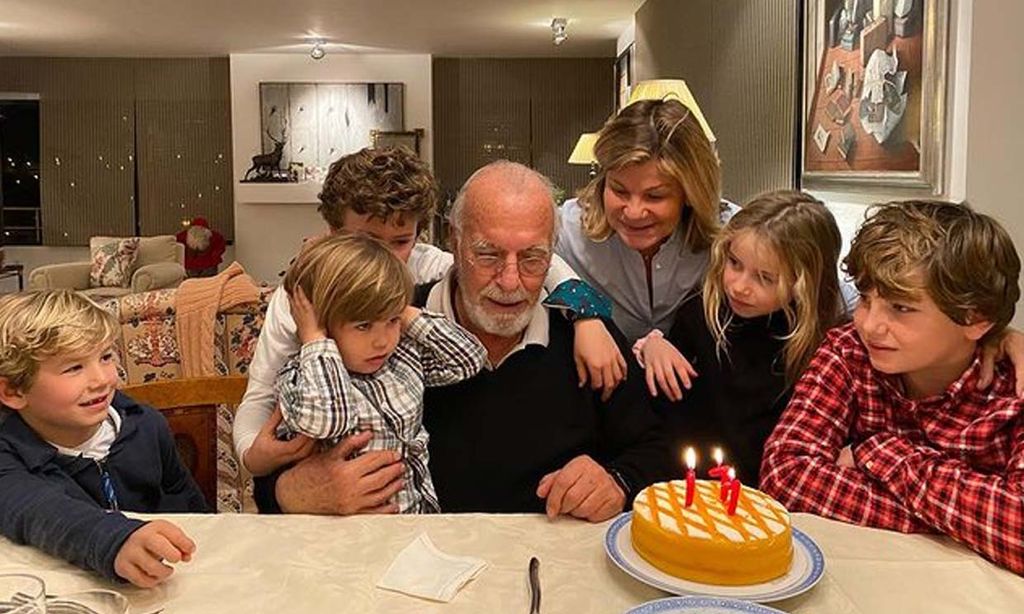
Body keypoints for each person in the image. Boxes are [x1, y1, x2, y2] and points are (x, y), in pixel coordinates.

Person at [257, 161, 675, 521]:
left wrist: (617, 482)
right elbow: (271, 466)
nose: (511, 282)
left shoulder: (586, 333)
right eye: (488, 255)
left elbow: (659, 449)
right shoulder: (374, 333)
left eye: (532, 258)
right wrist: (294, 491)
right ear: (453, 241)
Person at [760, 200, 1024, 575]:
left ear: (976, 320)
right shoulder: (848, 351)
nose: (869, 325)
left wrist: (881, 452)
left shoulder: (1013, 390)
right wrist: (965, 528)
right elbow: (785, 474)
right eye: (866, 300)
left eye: (900, 308)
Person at [635, 191, 846, 484]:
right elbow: (662, 416)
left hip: (769, 498)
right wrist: (653, 346)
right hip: (683, 487)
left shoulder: (828, 346)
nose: (739, 286)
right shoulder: (701, 311)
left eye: (765, 278)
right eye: (734, 263)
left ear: (806, 283)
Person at [0, 290, 207, 588]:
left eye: (106, 356)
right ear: (14, 392)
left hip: (167, 584)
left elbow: (189, 503)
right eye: (74, 367)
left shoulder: (148, 425)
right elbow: (38, 510)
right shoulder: (8, 453)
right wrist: (115, 538)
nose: (101, 380)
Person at [275, 232, 486, 513]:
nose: (382, 341)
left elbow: (469, 359)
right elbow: (329, 422)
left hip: (414, 515)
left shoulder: (401, 359)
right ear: (323, 323)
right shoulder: (302, 374)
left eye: (390, 321)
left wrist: (404, 312)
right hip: (342, 534)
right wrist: (315, 338)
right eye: (363, 326)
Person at [556, 97, 734, 348]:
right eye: (619, 190)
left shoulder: (735, 234)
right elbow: (533, 261)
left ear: (690, 193)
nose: (634, 212)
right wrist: (585, 313)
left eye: (655, 196)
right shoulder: (568, 228)